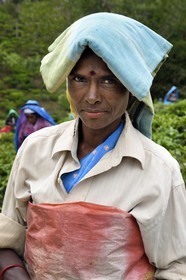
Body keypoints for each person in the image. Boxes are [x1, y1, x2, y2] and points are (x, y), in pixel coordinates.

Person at [0, 12, 186, 280]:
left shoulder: (158, 170)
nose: (91, 96)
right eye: (79, 79)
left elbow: (177, 267)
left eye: (108, 80)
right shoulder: (35, 149)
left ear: (131, 88)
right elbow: (9, 235)